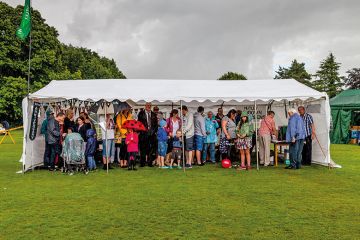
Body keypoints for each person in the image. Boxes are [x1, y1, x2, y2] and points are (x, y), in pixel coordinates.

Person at [137, 102, 158, 167]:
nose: (148, 106)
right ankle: (142, 163)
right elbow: (139, 124)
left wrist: (152, 131)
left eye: (150, 105)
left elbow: (156, 125)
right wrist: (143, 131)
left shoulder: (154, 114)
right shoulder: (141, 113)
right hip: (143, 134)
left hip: (151, 134)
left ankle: (150, 162)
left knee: (151, 149)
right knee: (143, 149)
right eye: (147, 105)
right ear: (145, 106)